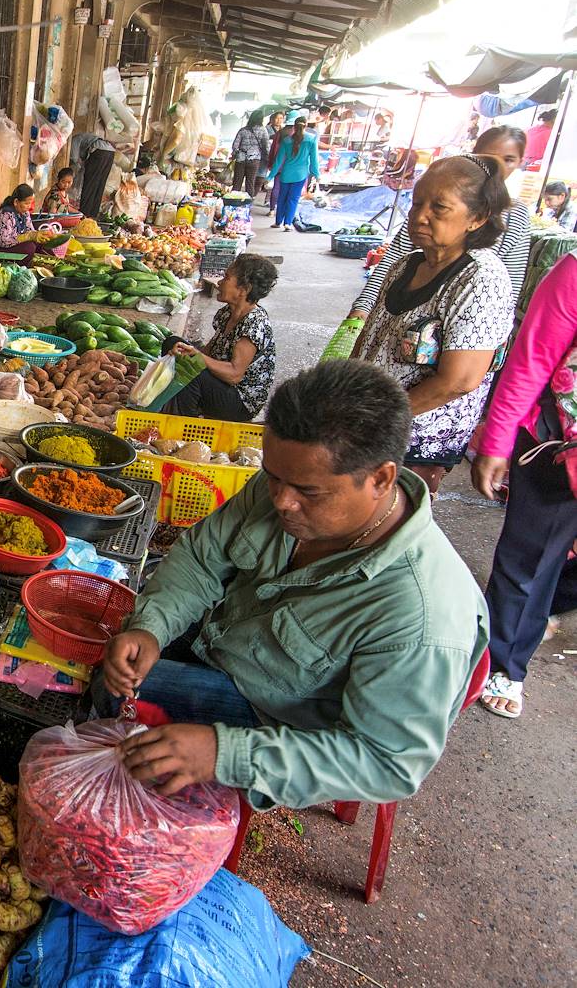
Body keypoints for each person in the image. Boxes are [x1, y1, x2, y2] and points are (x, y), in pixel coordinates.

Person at [98, 361, 487, 809]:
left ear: (380, 479)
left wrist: (227, 753)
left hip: (276, 720)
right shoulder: (289, 478)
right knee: (110, 641)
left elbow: (388, 764)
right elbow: (203, 559)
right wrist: (153, 626)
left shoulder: (421, 613)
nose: (281, 500)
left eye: (307, 491)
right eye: (274, 477)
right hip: (224, 638)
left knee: (104, 690)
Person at [350, 154, 516, 495]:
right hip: (367, 424)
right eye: (417, 203)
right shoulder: (406, 265)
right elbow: (368, 342)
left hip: (413, 440)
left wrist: (378, 420)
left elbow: (459, 381)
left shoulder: (482, 278)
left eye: (439, 208)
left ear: (477, 217)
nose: (420, 216)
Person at [472, 253, 577, 719]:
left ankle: (534, 610)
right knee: (528, 561)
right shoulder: (572, 272)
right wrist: (496, 442)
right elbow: (532, 360)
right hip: (557, 448)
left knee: (546, 570)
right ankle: (503, 663)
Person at [350, 127, 533, 316]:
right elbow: (395, 255)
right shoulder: (408, 257)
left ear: (478, 218)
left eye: (508, 159)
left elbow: (512, 284)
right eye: (487, 156)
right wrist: (363, 307)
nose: (499, 166)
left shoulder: (487, 276)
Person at [165, 254, 278, 421]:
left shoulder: (255, 324)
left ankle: (182, 426)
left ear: (243, 289)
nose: (219, 282)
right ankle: (172, 402)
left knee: (193, 374)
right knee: (173, 343)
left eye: (226, 278)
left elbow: (235, 374)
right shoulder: (227, 312)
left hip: (239, 401)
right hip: (221, 384)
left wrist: (197, 358)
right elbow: (210, 351)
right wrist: (187, 352)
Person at [265, 114, 318, 229]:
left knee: (282, 197)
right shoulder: (311, 140)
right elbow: (314, 160)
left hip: (286, 174)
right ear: (306, 126)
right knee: (293, 199)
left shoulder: (286, 140)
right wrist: (316, 175)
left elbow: (278, 161)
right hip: (301, 175)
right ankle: (288, 223)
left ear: (294, 126)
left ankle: (278, 222)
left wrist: (270, 177)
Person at [0, 184, 41, 266]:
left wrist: (39, 235)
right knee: (29, 248)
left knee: (39, 242)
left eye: (30, 203)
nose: (29, 207)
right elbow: (4, 242)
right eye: (26, 203)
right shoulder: (5, 215)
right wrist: (27, 237)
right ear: (16, 202)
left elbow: (31, 231)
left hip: (9, 249)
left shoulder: (25, 213)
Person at [72, 131, 116, 219]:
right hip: (110, 153)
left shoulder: (75, 139)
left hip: (100, 152)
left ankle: (84, 215)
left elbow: (74, 157)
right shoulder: (88, 138)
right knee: (100, 184)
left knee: (90, 184)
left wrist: (76, 162)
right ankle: (93, 215)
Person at [229, 113, 268, 198]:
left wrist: (236, 154)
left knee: (237, 182)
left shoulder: (243, 130)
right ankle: (247, 204)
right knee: (250, 183)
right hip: (254, 160)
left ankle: (233, 203)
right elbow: (266, 147)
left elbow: (235, 146)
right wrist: (266, 158)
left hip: (241, 159)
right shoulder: (263, 130)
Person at [262, 111, 288, 211]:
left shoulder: (283, 130)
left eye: (281, 118)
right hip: (270, 156)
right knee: (271, 180)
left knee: (274, 181)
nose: (279, 120)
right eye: (277, 118)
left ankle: (271, 201)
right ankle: (269, 200)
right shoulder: (267, 129)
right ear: (272, 119)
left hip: (278, 157)